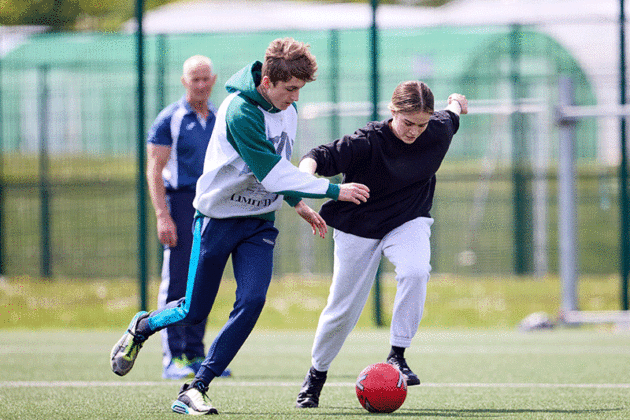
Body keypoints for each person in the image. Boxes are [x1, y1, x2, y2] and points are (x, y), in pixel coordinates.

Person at [110, 37, 370, 415]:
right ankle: (143, 326)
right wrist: (333, 190)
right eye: (290, 89)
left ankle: (196, 388)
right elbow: (270, 170)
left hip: (258, 224)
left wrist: (297, 203)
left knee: (252, 301)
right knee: (192, 310)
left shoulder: (288, 109)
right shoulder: (240, 111)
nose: (295, 97)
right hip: (216, 221)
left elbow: (278, 165)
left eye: (300, 89)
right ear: (267, 81)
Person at [294, 81, 468, 409]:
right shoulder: (367, 141)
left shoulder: (439, 128)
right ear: (392, 112)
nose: (415, 131)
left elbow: (453, 111)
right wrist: (308, 180)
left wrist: (457, 102)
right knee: (342, 309)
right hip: (358, 225)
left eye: (422, 124)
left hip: (408, 219)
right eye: (408, 123)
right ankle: (315, 376)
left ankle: (397, 355)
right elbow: (316, 156)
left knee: (416, 271)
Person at [146, 55, 222, 380]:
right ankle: (172, 357)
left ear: (213, 80)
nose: (201, 85)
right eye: (195, 79)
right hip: (180, 204)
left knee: (204, 279)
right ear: (184, 81)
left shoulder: (220, 119)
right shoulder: (170, 119)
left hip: (212, 206)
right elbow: (154, 169)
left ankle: (195, 354)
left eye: (206, 79)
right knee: (177, 281)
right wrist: (163, 215)